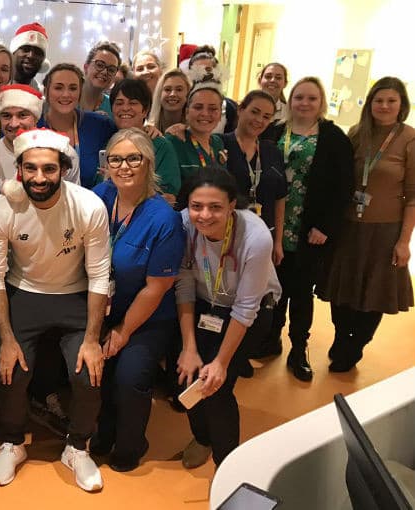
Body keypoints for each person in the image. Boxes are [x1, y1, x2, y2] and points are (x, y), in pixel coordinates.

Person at [0, 128, 109, 493]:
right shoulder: (0, 209)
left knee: (88, 375)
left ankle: (77, 447)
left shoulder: (88, 206)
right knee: (11, 372)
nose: (40, 178)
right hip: (24, 294)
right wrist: (7, 338)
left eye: (49, 169)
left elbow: (99, 274)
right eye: (31, 169)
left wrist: (91, 339)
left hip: (76, 296)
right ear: (19, 169)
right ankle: (13, 441)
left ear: (64, 170)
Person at [90, 129, 184, 472]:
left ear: (148, 163)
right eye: (116, 158)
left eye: (134, 158)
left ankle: (131, 443)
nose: (124, 166)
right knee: (94, 371)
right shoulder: (98, 197)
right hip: (101, 309)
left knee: (129, 376)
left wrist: (124, 332)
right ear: (106, 164)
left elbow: (156, 288)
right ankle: (103, 430)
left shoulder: (165, 219)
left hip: (146, 318)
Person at [175, 168, 281, 469]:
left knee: (216, 387)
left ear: (232, 205)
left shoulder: (255, 236)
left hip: (252, 311)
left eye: (216, 207)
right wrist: (189, 347)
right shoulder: (183, 224)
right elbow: (183, 283)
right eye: (196, 206)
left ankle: (227, 463)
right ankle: (203, 438)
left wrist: (221, 362)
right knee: (188, 374)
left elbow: (247, 308)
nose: (204, 215)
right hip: (204, 306)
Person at [317, 77, 414, 373]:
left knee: (374, 293)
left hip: (385, 230)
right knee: (342, 289)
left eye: (391, 101)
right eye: (378, 100)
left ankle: (356, 343)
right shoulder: (358, 133)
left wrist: (403, 242)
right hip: (349, 226)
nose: (384, 106)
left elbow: (413, 196)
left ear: (402, 105)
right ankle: (340, 335)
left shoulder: (409, 139)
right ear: (370, 103)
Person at [259, 77, 353, 380]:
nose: (304, 103)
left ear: (321, 102)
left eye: (312, 98)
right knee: (273, 287)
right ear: (291, 100)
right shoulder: (274, 132)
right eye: (299, 97)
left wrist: (325, 226)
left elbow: (343, 188)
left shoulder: (334, 138)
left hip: (309, 228)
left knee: (301, 291)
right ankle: (270, 339)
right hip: (273, 225)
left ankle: (298, 349)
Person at [221, 90, 286, 241]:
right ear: (240, 110)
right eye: (254, 112)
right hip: (226, 232)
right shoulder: (219, 143)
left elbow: (280, 198)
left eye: (266, 117)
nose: (259, 120)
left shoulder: (272, 152)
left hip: (262, 234)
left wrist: (278, 242)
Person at [39, 63, 114, 188]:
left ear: (80, 92)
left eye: (73, 88)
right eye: (58, 88)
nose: (66, 94)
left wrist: (148, 128)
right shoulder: (33, 126)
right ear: (46, 91)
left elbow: (127, 136)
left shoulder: (100, 125)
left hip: (91, 204)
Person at [109, 78, 181, 202]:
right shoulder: (108, 140)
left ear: (145, 110)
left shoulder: (159, 145)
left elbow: (168, 195)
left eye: (133, 103)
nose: (125, 108)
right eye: (119, 103)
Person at [165, 77, 226, 187]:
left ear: (220, 114)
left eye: (212, 109)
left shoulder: (218, 143)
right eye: (198, 107)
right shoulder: (173, 142)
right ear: (187, 112)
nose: (205, 113)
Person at [0, 84, 44, 186]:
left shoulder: (59, 153)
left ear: (36, 118)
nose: (14, 124)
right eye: (7, 116)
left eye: (22, 115)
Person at [186, 47, 237, 134]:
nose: (204, 75)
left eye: (208, 70)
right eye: (198, 70)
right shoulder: (183, 103)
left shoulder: (230, 107)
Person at [80, 42, 122, 116]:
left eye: (111, 70)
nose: (105, 72)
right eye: (99, 65)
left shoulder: (114, 108)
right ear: (86, 67)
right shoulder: (69, 99)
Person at [150, 69, 191, 134]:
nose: (173, 94)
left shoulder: (194, 130)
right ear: (159, 94)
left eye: (179, 89)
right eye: (167, 89)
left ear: (188, 94)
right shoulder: (148, 130)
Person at [9, 23, 49, 90]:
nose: (31, 56)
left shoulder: (41, 97)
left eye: (38, 52)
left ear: (43, 60)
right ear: (13, 52)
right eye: (26, 49)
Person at [258, 63, 289, 127]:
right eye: (268, 77)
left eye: (278, 78)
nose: (272, 80)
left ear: (285, 83)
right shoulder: (246, 107)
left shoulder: (289, 114)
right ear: (260, 80)